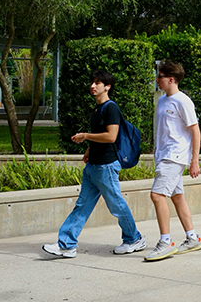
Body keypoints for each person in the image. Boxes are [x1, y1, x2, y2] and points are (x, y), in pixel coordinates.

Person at [43, 70, 144, 259]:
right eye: (92, 82)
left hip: (106, 166)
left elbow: (111, 136)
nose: (93, 85)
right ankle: (66, 245)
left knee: (116, 205)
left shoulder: (110, 108)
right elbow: (101, 135)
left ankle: (134, 239)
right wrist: (89, 149)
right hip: (94, 167)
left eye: (98, 83)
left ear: (107, 86)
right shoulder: (98, 108)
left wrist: (85, 136)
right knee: (81, 205)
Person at [144, 62, 201, 261]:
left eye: (160, 76)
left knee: (157, 195)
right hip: (164, 156)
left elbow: (195, 131)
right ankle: (192, 238)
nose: (157, 80)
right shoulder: (162, 100)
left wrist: (194, 160)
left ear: (171, 79)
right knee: (177, 197)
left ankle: (165, 242)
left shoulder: (183, 101)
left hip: (175, 156)